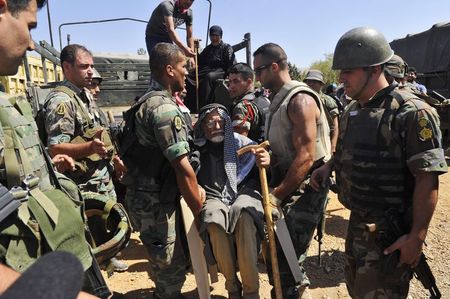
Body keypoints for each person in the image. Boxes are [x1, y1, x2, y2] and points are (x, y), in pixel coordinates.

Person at [311, 26, 448, 298]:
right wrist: (329, 166)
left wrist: (416, 238)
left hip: (389, 233)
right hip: (358, 225)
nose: (341, 78)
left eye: (348, 71)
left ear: (374, 70)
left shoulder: (412, 112)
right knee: (356, 289)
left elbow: (427, 179)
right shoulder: (353, 109)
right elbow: (346, 152)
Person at [0, 0, 111, 297]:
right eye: (29, 25)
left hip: (48, 247)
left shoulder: (6, 99)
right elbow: (55, 142)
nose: (32, 43)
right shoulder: (62, 100)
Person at [122, 42, 204, 299]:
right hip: (155, 202)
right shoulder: (164, 108)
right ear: (169, 70)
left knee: (163, 259)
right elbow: (182, 167)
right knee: (169, 265)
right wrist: (199, 211)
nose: (185, 73)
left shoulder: (147, 101)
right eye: (182, 67)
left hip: (148, 197)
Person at [253, 43, 331, 299]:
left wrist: (276, 196)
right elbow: (286, 148)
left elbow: (306, 156)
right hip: (290, 184)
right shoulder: (280, 99)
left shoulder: (300, 100)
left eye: (260, 70)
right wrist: (270, 157)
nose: (257, 77)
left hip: (306, 188)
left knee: (288, 262)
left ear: (274, 67)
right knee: (281, 256)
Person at [44, 44, 129, 272]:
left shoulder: (83, 96)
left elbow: (98, 133)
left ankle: (107, 261)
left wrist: (113, 159)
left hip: (99, 177)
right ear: (66, 67)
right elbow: (55, 148)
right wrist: (89, 147)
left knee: (104, 225)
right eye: (84, 66)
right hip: (83, 182)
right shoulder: (62, 101)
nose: (91, 71)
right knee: (89, 232)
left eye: (91, 66)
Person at [193, 103, 269, 299]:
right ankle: (232, 287)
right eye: (211, 122)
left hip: (243, 193)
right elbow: (188, 176)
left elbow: (267, 175)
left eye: (221, 122)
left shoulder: (244, 144)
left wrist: (266, 162)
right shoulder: (197, 150)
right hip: (214, 197)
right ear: (202, 126)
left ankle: (251, 291)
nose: (217, 126)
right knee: (213, 220)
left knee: (244, 215)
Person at [185, 25, 235, 111]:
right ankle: (190, 106)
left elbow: (230, 63)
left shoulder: (226, 47)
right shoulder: (208, 49)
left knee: (209, 76)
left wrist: (229, 75)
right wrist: (196, 48)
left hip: (221, 70)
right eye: (212, 36)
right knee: (188, 76)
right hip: (206, 69)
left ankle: (205, 106)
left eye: (216, 36)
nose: (214, 38)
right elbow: (200, 61)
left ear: (220, 36)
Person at [227, 63, 270, 143]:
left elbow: (238, 145)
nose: (231, 86)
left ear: (249, 82)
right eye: (230, 82)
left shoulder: (243, 107)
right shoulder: (265, 99)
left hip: (252, 153)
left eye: (236, 81)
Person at [304, 69, 340, 153]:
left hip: (323, 145)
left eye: (314, 81)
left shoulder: (327, 101)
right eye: (309, 81)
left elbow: (335, 126)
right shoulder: (302, 99)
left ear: (321, 84)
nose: (311, 84)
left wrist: (333, 146)